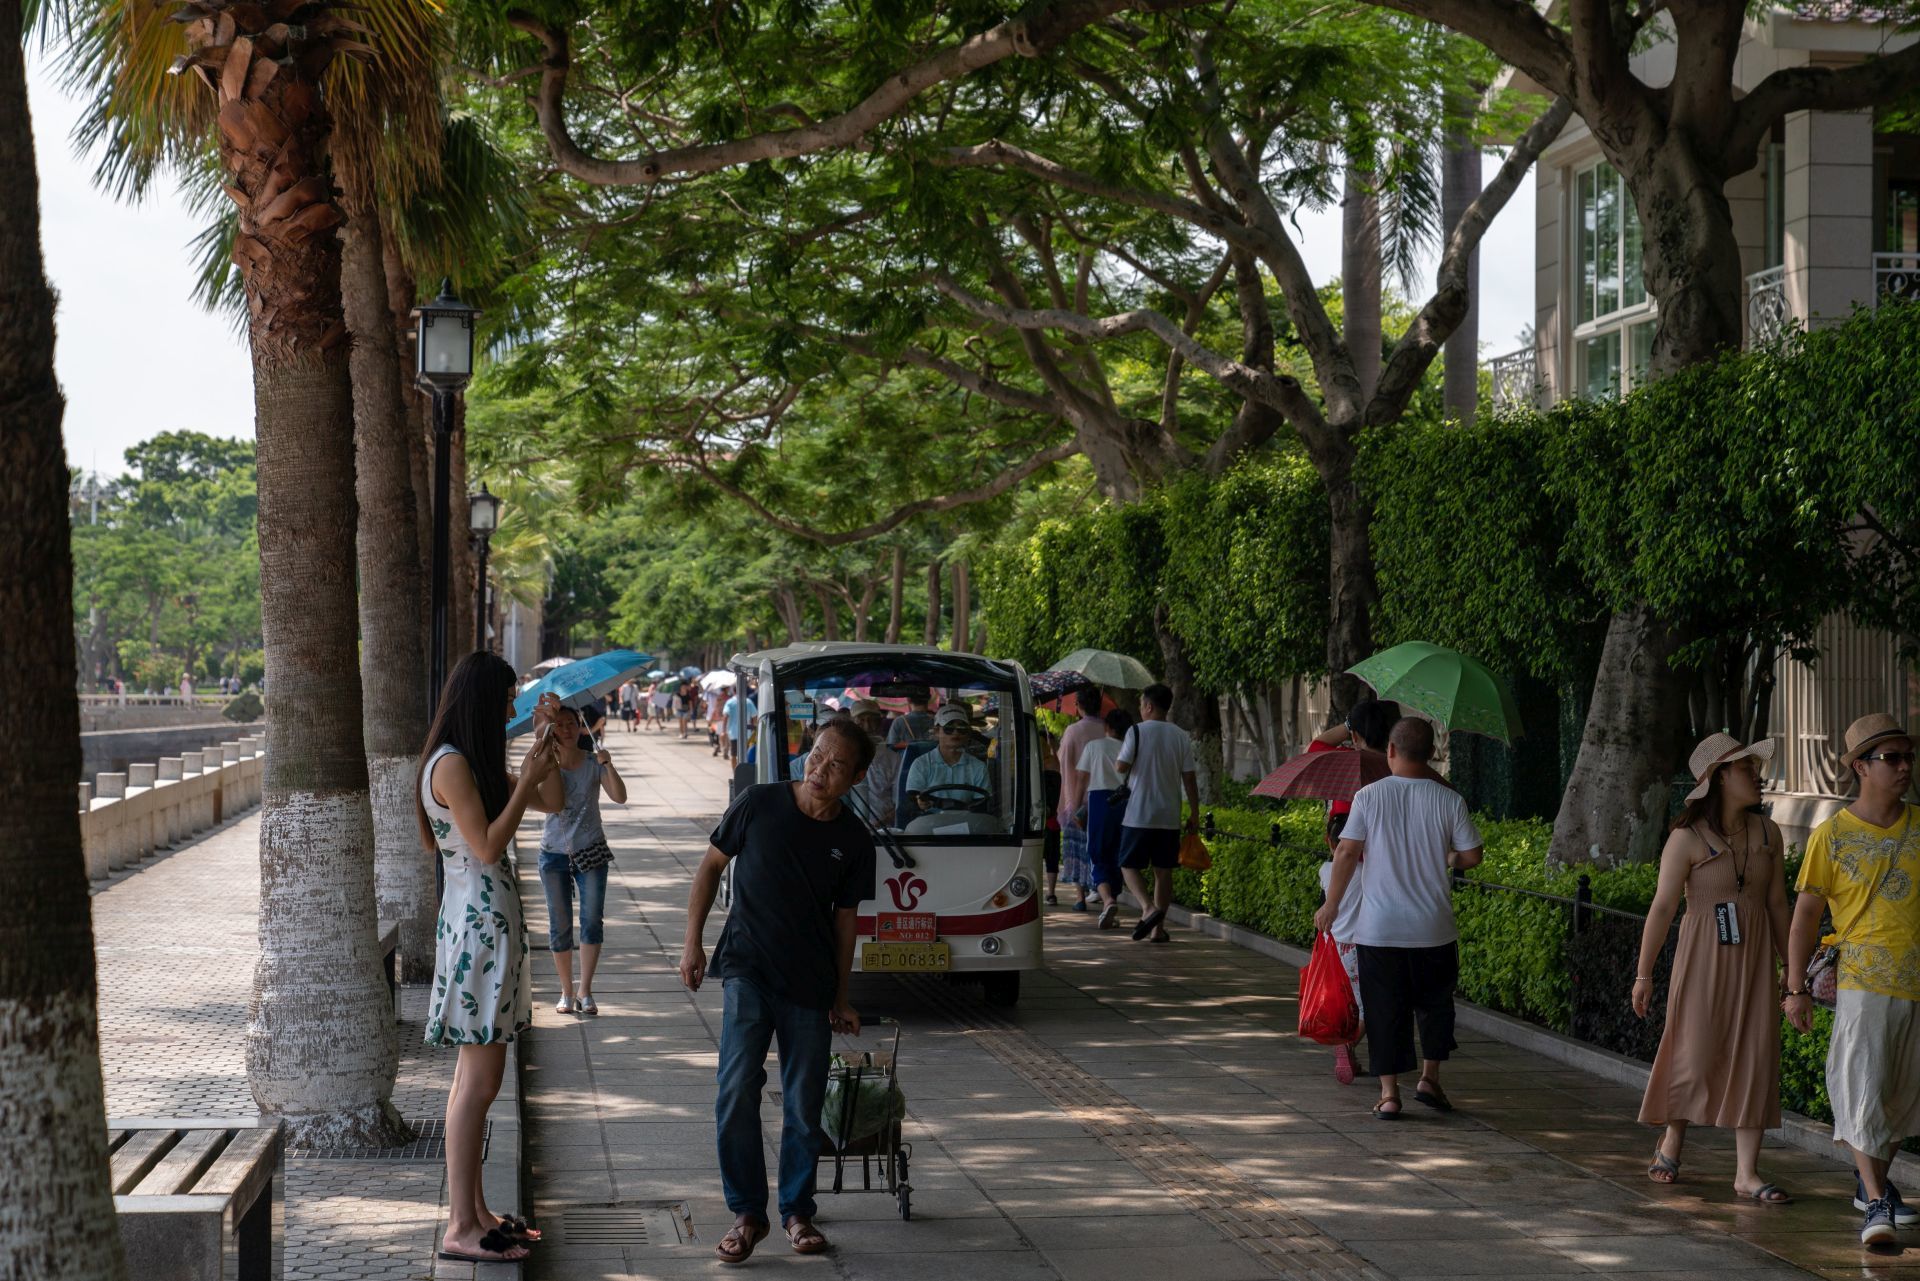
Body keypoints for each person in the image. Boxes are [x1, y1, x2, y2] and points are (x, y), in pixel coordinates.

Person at [680, 718, 877, 1264]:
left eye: (837, 765)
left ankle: (797, 1212)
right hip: (747, 967)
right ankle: (746, 1213)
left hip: (809, 985)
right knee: (736, 1085)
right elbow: (710, 867)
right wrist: (692, 943)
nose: (820, 770)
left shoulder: (854, 841)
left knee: (803, 1102)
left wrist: (842, 996)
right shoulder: (758, 803)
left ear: (857, 776)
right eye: (817, 755)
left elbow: (845, 924)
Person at [419, 654, 559, 1263]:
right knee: (479, 1084)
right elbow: (486, 845)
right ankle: (459, 1228)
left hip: (485, 925)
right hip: (478, 927)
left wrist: (548, 741)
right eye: (507, 701)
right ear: (482, 699)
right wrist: (524, 782)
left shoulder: (466, 761)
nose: (512, 710)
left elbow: (553, 801)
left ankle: (476, 1212)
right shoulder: (449, 765)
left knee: (475, 1082)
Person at [1632, 734, 1791, 1202]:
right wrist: (1644, 975)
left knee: (1755, 1056)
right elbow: (1662, 909)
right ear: (1721, 777)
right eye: (1746, 768)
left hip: (1756, 961)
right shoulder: (1686, 838)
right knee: (1694, 1053)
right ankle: (1673, 1138)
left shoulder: (1769, 834)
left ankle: (1747, 1173)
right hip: (1702, 959)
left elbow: (1780, 905)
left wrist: (1793, 971)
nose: (1756, 775)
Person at [1785, 713, 1920, 1245]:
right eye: (1892, 758)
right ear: (1861, 767)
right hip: (1863, 980)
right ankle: (1876, 1205)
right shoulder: (1832, 836)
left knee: (1897, 1096)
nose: (1904, 767)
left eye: (1908, 757)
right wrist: (1794, 989)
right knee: (1861, 1086)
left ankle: (1872, 1188)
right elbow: (1803, 918)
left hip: (1915, 981)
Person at [1314, 717, 1482, 1120]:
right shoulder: (1449, 799)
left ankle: (1389, 1095)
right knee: (1435, 1006)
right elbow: (1473, 856)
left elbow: (1347, 852)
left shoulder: (1369, 797)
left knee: (1385, 1009)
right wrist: (1450, 857)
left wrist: (1332, 906)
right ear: (1433, 754)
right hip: (1434, 929)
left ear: (1390, 751)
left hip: (1379, 929)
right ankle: (1430, 1078)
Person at [1311, 698, 1400, 1084]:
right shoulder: (1397, 771)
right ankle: (1358, 1046)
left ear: (1357, 734)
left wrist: (1351, 724)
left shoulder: (1343, 764)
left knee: (1352, 981)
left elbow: (1316, 745)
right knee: (1378, 986)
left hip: (1344, 876)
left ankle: (1345, 1044)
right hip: (1383, 879)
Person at [536, 703, 628, 1017]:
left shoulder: (593, 762)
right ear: (553, 731)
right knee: (559, 926)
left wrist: (609, 765)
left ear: (580, 726)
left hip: (592, 850)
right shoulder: (546, 765)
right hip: (553, 854)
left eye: (572, 723)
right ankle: (565, 992)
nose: (567, 729)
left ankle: (585, 991)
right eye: (560, 725)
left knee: (591, 921)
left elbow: (620, 796)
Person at [1116, 683, 1199, 943]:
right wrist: (1194, 813)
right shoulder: (1180, 736)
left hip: (1139, 813)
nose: (1141, 708)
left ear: (1149, 706)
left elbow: (1121, 766)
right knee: (1163, 871)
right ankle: (1157, 929)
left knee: (1127, 865)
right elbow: (1189, 779)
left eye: (1141, 704)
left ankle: (1147, 908)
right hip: (1168, 815)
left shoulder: (1136, 731)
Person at [1078, 708, 1135, 929]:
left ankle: (1107, 900)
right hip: (1126, 802)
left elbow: (1082, 777)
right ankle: (1113, 901)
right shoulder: (1131, 749)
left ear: (1107, 727)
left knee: (1097, 851)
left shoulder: (1094, 746)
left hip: (1100, 799)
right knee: (1118, 853)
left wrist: (1075, 805)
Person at [1056, 688, 1107, 911]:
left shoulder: (1072, 731)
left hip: (1075, 799)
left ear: (1078, 706)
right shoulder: (1108, 729)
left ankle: (1080, 897)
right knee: (1100, 848)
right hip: (1104, 799)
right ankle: (1103, 892)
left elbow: (1064, 760)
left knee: (1076, 849)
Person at [904, 705, 990, 813]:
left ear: (968, 733)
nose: (956, 732)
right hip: (930, 825)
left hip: (967, 825)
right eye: (949, 729)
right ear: (936, 731)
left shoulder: (978, 767)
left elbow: (981, 807)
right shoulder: (921, 764)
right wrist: (920, 803)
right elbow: (912, 802)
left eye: (962, 729)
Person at [723, 685, 757, 763]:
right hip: (746, 733)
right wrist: (755, 729)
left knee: (734, 755)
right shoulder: (748, 701)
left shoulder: (730, 702)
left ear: (734, 691)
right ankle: (743, 771)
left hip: (733, 733)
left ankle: (735, 773)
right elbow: (755, 717)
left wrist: (723, 730)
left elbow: (725, 716)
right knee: (745, 754)